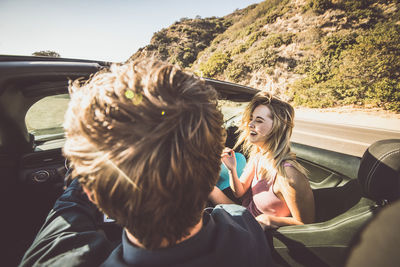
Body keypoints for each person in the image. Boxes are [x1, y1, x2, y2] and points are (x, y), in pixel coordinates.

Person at [19, 59, 273, 266]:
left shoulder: (55, 258)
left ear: (92, 191)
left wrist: (90, 169)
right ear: (212, 173)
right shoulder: (243, 228)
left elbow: (68, 209)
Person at [209, 91, 315, 230]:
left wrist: (270, 220)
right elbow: (239, 193)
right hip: (245, 218)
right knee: (206, 187)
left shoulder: (289, 176)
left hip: (255, 235)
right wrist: (232, 170)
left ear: (277, 127)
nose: (250, 124)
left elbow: (307, 225)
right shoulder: (259, 156)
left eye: (259, 121)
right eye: (251, 119)